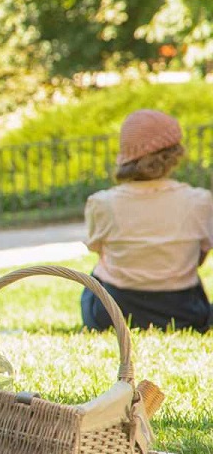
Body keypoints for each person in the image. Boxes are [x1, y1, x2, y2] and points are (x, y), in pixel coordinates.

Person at [81, 109, 213, 333]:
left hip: (113, 313)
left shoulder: (102, 203)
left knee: (95, 279)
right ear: (174, 154)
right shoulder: (199, 201)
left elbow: (99, 251)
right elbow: (200, 257)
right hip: (184, 312)